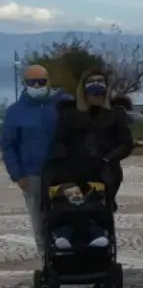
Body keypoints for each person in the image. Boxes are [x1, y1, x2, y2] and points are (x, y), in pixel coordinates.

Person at [2, 64, 71, 254]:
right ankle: (46, 266)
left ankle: (72, 260)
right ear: (24, 83)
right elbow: (8, 145)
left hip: (63, 175)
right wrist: (18, 175)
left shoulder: (65, 104)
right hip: (33, 176)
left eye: (42, 82)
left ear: (48, 81)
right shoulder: (15, 112)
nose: (38, 86)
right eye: (33, 82)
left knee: (68, 217)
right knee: (40, 224)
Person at [48, 70, 134, 212]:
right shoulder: (69, 113)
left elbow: (126, 142)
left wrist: (109, 158)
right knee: (75, 208)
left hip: (105, 173)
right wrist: (63, 166)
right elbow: (59, 141)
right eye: (91, 81)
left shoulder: (116, 113)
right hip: (73, 174)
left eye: (100, 80)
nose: (95, 84)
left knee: (99, 211)